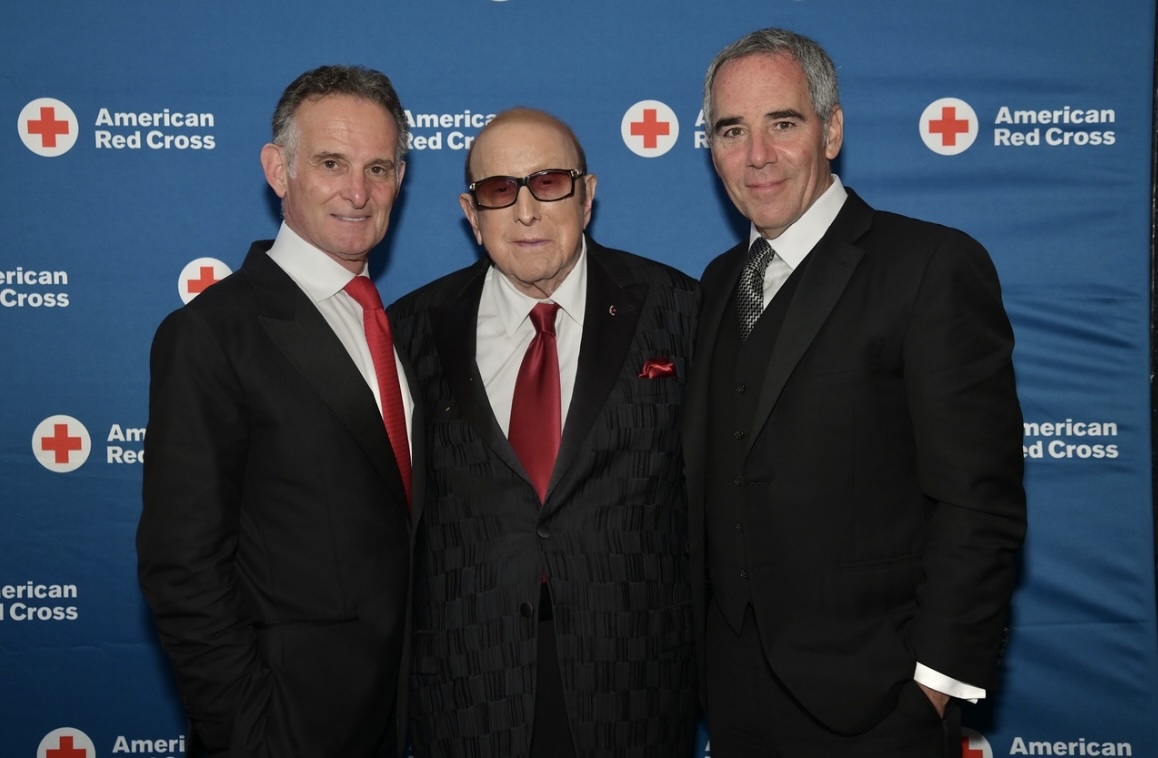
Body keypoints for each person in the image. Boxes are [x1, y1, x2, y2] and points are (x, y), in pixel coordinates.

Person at [684, 28, 1027, 757]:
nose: (758, 155)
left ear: (832, 129)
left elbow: (979, 499)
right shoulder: (716, 286)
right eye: (731, 130)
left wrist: (932, 689)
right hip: (736, 705)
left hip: (879, 707)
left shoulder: (929, 266)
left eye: (784, 122)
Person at [388, 107, 699, 757]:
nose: (526, 211)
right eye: (500, 191)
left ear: (588, 196)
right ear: (471, 214)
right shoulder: (411, 330)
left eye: (549, 182)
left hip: (638, 690)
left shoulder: (679, 310)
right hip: (467, 694)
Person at [137, 65, 418, 757]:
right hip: (287, 727)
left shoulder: (404, 328)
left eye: (379, 167)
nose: (358, 192)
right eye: (331, 163)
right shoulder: (211, 333)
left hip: (405, 716)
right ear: (278, 169)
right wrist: (250, 733)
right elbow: (183, 565)